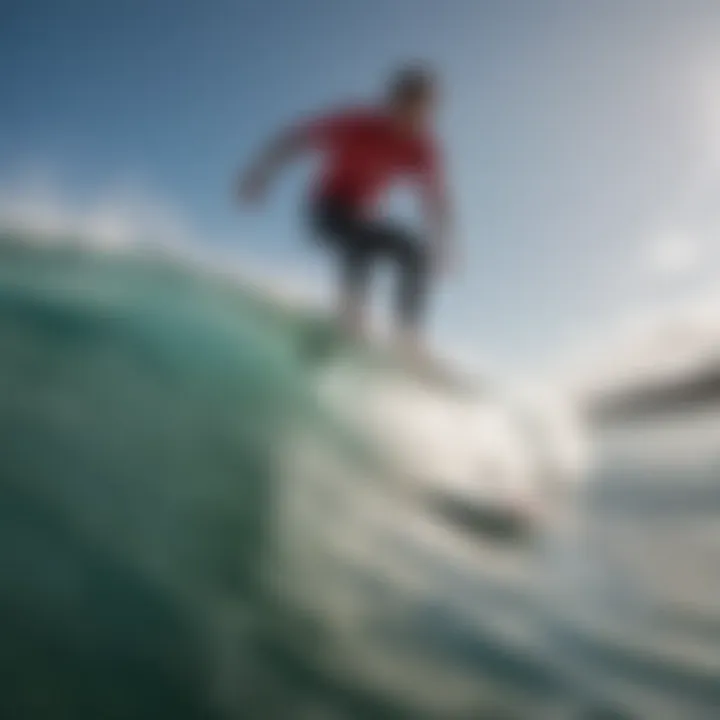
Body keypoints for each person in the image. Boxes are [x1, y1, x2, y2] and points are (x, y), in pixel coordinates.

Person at [238, 65, 452, 361]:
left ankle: (406, 338)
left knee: (414, 252)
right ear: (393, 101)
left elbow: (436, 201)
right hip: (326, 211)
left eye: (423, 108)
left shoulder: (420, 148)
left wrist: (443, 244)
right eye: (408, 104)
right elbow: (293, 140)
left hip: (363, 218)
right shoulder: (355, 123)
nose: (415, 116)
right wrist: (258, 176)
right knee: (360, 242)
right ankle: (350, 320)